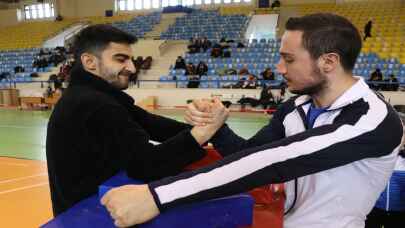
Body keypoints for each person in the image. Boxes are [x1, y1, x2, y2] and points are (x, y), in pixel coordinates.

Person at [100, 14, 404, 228]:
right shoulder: (295, 107)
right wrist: (217, 126)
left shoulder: (374, 120)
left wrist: (156, 196)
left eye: (288, 58)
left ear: (328, 62)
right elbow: (247, 153)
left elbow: (274, 161)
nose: (279, 67)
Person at [46, 24, 214, 216]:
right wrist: (200, 135)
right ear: (90, 62)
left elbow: (151, 123)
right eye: (121, 59)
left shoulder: (94, 95)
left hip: (86, 208)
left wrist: (202, 125)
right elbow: (147, 165)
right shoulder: (94, 104)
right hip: (91, 215)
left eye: (131, 59)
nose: (132, 68)